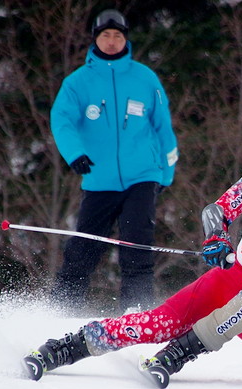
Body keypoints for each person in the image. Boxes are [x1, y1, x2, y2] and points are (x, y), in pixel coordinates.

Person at [24, 125, 242, 386]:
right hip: (228, 278)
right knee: (156, 324)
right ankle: (69, 347)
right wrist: (217, 237)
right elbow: (217, 211)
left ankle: (177, 354)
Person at [49, 9, 178, 313]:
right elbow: (62, 119)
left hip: (143, 177)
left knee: (136, 249)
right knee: (82, 251)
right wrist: (74, 154)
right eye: (105, 35)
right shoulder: (77, 82)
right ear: (95, 38)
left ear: (125, 39)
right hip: (99, 181)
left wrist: (165, 175)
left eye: (117, 35)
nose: (111, 41)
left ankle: (137, 317)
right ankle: (58, 314)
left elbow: (164, 129)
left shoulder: (145, 78)